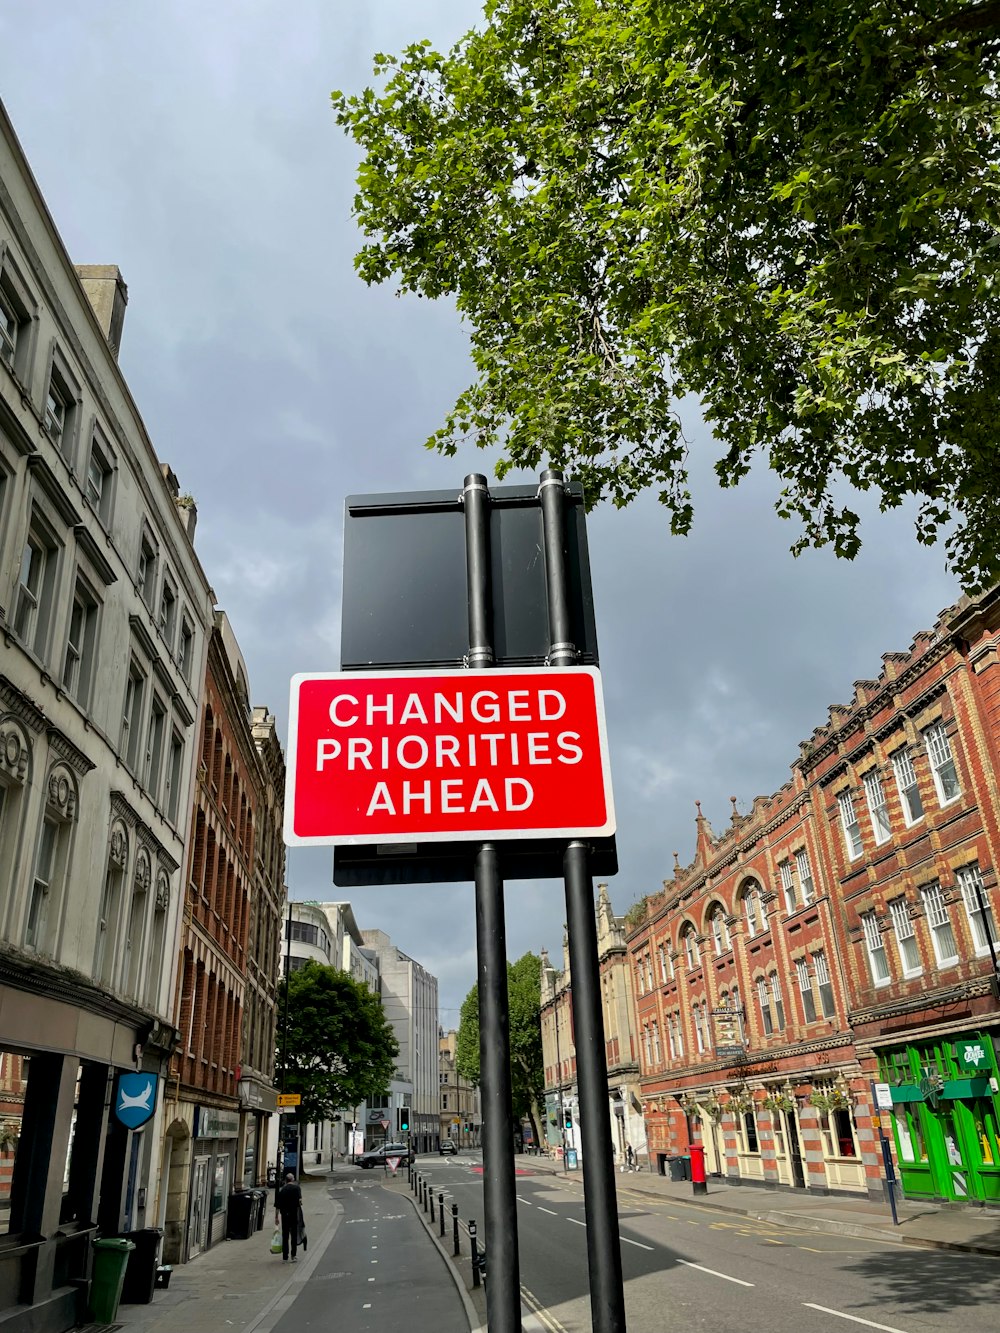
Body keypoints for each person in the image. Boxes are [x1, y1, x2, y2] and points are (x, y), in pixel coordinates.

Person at [275, 1172, 303, 1262]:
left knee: (285, 1235)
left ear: (286, 1180)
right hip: (294, 1214)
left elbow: (277, 1206)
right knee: (294, 1235)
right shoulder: (297, 1188)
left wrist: (276, 1218)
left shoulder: (282, 1190)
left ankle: (285, 1257)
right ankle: (293, 1255)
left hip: (285, 1215)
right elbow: (300, 1202)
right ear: (293, 1179)